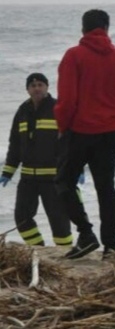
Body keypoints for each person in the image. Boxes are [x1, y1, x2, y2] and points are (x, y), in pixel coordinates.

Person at [54, 9, 115, 260]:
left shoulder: (74, 56)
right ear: (107, 28)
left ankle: (86, 233)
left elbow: (67, 100)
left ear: (83, 29)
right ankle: (110, 247)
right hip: (110, 132)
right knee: (106, 188)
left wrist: (62, 127)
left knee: (64, 182)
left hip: (80, 131)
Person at [0, 73, 74, 247]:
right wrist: (8, 171)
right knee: (22, 218)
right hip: (28, 178)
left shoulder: (58, 108)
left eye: (40, 84)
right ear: (28, 89)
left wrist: (74, 167)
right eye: (33, 86)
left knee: (59, 219)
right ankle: (38, 249)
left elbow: (70, 141)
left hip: (53, 177)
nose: (37, 88)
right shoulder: (22, 111)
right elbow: (15, 144)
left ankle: (65, 252)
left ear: (47, 87)